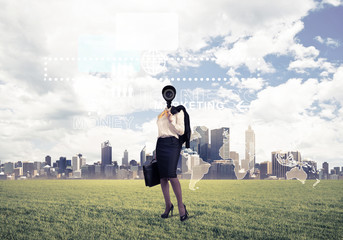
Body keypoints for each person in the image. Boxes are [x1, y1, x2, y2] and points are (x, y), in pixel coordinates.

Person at [155, 104, 189, 222]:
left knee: (171, 175)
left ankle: (181, 206)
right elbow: (160, 132)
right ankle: (168, 205)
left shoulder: (178, 112)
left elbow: (181, 131)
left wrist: (171, 121)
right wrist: (156, 150)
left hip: (172, 144)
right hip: (160, 144)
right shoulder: (161, 114)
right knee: (162, 177)